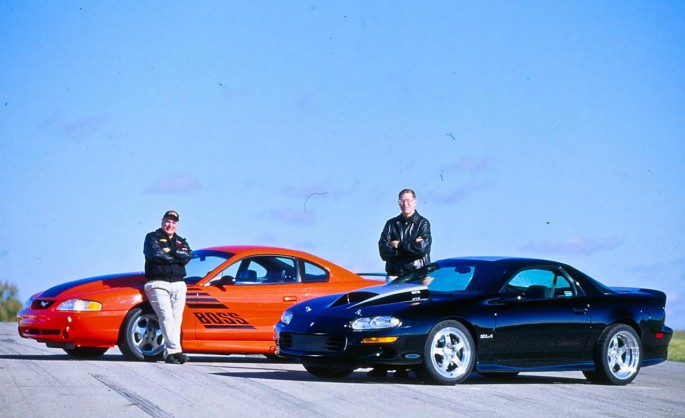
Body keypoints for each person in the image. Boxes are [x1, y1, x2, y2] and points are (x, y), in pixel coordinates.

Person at [370, 189, 432, 378]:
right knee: (387, 316)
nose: (405, 204)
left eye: (408, 200)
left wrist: (398, 244)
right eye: (402, 201)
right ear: (398, 203)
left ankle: (405, 363)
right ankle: (381, 363)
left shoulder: (423, 223)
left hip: (416, 276)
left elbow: (422, 248)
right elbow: (383, 251)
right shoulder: (391, 224)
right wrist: (408, 245)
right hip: (395, 276)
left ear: (415, 202)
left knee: (411, 318)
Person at [143, 210, 192, 364]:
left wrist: (171, 251)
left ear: (177, 225)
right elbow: (157, 255)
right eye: (167, 221)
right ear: (162, 221)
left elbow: (188, 255)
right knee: (166, 317)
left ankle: (170, 353)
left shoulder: (180, 241)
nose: (170, 225)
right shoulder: (152, 237)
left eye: (173, 222)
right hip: (158, 283)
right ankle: (175, 352)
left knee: (177, 319)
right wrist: (177, 257)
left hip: (178, 284)